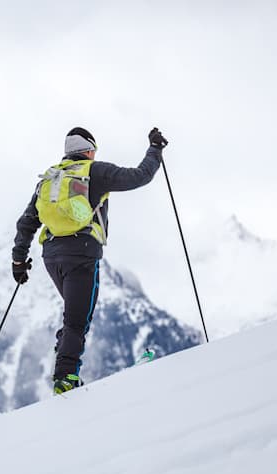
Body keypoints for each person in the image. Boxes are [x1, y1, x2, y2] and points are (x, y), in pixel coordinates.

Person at [11, 126, 167, 394]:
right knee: (77, 320)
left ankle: (64, 359)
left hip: (51, 256)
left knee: (74, 316)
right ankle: (66, 378)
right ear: (90, 149)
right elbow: (140, 177)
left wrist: (18, 261)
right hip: (82, 253)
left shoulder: (49, 179)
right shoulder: (94, 171)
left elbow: (26, 223)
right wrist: (155, 149)